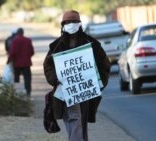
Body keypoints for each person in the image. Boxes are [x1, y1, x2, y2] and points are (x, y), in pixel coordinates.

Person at [43, 10, 111, 141]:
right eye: (68, 22)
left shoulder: (92, 44)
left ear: (79, 24)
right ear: (63, 25)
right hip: (64, 92)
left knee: (80, 123)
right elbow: (48, 67)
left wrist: (98, 84)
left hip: (85, 93)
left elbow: (105, 65)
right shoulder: (55, 47)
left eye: (74, 22)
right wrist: (55, 80)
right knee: (75, 119)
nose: (71, 24)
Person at [7, 28, 34, 97]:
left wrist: (8, 61)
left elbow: (12, 52)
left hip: (17, 64)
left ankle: (17, 93)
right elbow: (32, 52)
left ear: (17, 33)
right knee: (27, 79)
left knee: (16, 79)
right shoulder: (28, 40)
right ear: (23, 33)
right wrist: (27, 56)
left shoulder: (14, 41)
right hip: (26, 63)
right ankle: (28, 93)